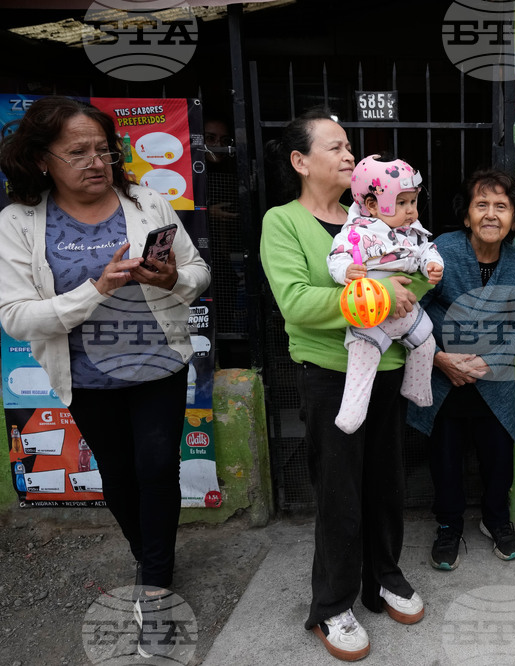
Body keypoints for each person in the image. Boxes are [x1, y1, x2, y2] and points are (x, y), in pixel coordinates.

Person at [0, 96, 210, 658]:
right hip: (87, 376)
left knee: (159, 468)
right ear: (43, 159)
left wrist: (170, 280)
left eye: (104, 149)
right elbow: (17, 315)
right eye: (78, 152)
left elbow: (196, 271)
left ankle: (157, 586)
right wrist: (97, 290)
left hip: (158, 363)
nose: (96, 162)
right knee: (118, 475)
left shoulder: (148, 200)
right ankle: (148, 553)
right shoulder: (20, 222)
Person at [260, 108, 429, 662]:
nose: (349, 154)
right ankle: (331, 605)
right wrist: (381, 294)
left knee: (387, 482)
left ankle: (385, 576)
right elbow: (298, 303)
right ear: (300, 161)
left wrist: (405, 287)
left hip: (388, 364)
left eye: (349, 146)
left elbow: (413, 283)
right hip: (329, 375)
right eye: (334, 147)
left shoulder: (375, 215)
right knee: (339, 493)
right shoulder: (283, 223)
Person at [408, 169, 515, 570]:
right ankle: (449, 526)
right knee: (445, 459)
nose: (492, 214)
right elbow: (415, 308)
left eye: (502, 206)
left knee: (499, 458)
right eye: (482, 205)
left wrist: (489, 362)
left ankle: (496, 520)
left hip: (491, 381)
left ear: (514, 218)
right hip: (443, 378)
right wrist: (440, 358)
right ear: (467, 217)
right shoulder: (441, 250)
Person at [327, 154, 443, 433]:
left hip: (406, 311)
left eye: (413, 202)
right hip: (371, 313)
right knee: (362, 363)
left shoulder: (412, 232)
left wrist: (433, 264)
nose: (411, 210)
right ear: (372, 205)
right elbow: (337, 256)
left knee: (425, 344)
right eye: (401, 203)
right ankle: (350, 413)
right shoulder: (357, 233)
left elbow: (428, 248)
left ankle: (416, 390)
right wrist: (346, 272)